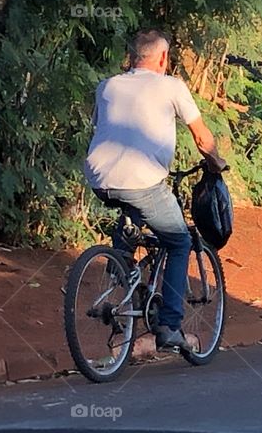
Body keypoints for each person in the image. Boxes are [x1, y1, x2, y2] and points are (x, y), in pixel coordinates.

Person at [84, 28, 227, 350]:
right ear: (163, 57)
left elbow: (101, 126)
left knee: (131, 212)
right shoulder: (171, 86)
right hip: (143, 181)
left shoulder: (107, 86)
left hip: (99, 178)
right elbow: (203, 138)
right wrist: (216, 162)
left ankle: (120, 266)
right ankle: (169, 326)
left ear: (133, 56)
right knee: (178, 242)